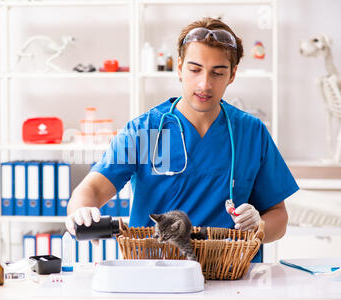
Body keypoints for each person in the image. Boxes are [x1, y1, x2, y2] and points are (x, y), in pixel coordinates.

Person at [65, 17, 299, 262]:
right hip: (156, 273)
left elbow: (279, 217)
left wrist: (259, 225)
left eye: (218, 73)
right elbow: (90, 189)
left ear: (232, 75)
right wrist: (81, 212)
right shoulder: (145, 131)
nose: (204, 84)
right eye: (195, 69)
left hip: (230, 276)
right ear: (179, 67)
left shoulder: (250, 133)